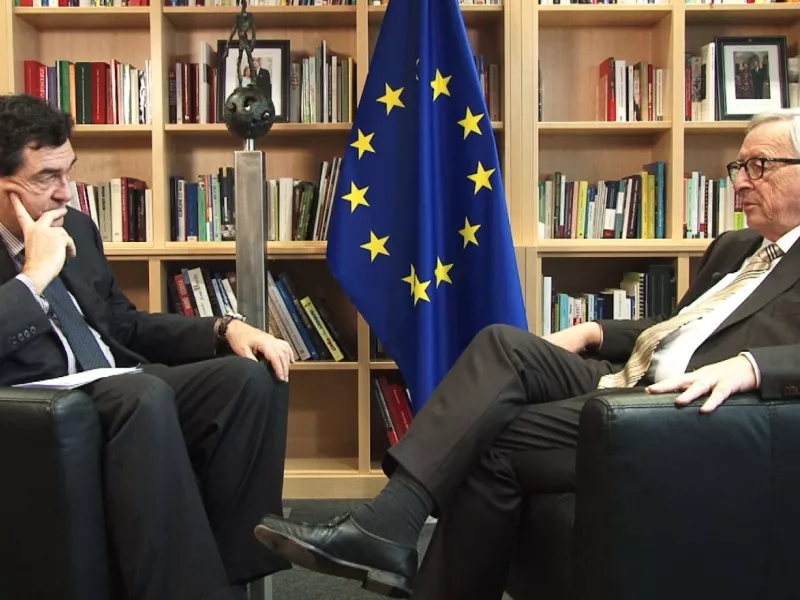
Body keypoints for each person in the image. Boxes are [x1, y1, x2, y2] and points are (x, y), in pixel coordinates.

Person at [254, 107, 800, 599]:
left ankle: (385, 529)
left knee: (485, 440)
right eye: (739, 167)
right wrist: (592, 332)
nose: (740, 181)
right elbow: (678, 326)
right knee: (503, 343)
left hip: (686, 413)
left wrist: (751, 367)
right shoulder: (735, 248)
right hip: (628, 377)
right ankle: (389, 523)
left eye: (760, 166)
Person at [0, 93, 295, 600]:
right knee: (143, 395)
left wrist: (224, 328)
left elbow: (122, 325)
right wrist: (33, 277)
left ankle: (231, 573)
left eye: (68, 172)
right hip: (40, 404)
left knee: (250, 376)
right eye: (47, 178)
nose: (66, 193)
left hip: (113, 384)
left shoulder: (76, 227)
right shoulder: (42, 247)